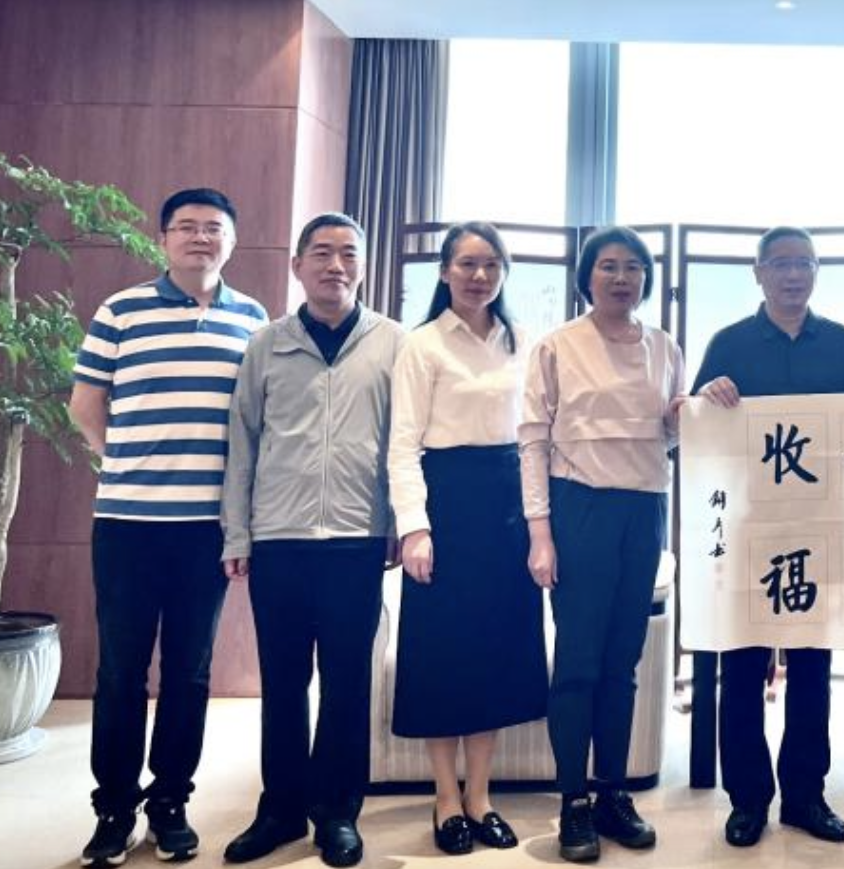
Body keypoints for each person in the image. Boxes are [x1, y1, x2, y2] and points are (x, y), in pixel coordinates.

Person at [68, 188, 268, 868]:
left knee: (190, 672)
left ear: (231, 241)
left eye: (214, 227)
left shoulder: (253, 319)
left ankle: (171, 804)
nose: (200, 237)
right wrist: (124, 461)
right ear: (163, 240)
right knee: (121, 671)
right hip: (127, 525)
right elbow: (85, 405)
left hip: (205, 530)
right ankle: (113, 809)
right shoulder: (121, 310)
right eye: (186, 227)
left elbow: (255, 421)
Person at [220, 214, 403, 869]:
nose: (335, 265)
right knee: (284, 683)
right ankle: (280, 810)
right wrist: (237, 532)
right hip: (279, 539)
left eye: (348, 253)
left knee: (348, 684)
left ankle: (337, 813)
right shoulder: (266, 344)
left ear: (363, 267)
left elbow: (404, 443)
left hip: (357, 539)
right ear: (297, 265)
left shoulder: (393, 343)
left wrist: (399, 521)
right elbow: (242, 442)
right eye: (321, 253)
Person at [693, 227, 844, 849]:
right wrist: (704, 397)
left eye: (805, 264)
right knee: (741, 667)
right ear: (758, 272)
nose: (794, 275)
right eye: (782, 264)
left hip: (821, 527)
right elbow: (694, 429)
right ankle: (747, 800)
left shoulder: (843, 344)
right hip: (749, 529)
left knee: (813, 667)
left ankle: (805, 796)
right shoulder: (729, 343)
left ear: (817, 272)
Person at [522, 226, 687, 863]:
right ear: (587, 277)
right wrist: (541, 534)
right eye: (609, 266)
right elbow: (532, 441)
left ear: (647, 277)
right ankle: (573, 801)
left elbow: (669, 438)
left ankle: (613, 792)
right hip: (579, 507)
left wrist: (679, 422)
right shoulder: (557, 346)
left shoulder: (665, 346)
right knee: (578, 663)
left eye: (634, 267)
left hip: (644, 510)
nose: (622, 278)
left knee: (623, 664)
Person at [388, 222, 549, 857]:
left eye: (491, 265)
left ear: (504, 272)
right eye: (466, 264)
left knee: (493, 654)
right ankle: (445, 797)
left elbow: (534, 436)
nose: (479, 276)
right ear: (445, 271)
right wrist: (415, 527)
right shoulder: (422, 344)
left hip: (506, 507)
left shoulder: (523, 342)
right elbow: (403, 445)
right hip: (445, 506)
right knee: (442, 655)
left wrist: (538, 524)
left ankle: (480, 795)